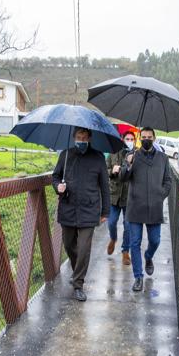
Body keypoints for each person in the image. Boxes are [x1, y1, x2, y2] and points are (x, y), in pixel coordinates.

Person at [52, 127, 110, 301]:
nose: (81, 140)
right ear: (74, 137)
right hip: (68, 207)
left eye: (84, 138)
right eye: (79, 137)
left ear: (89, 138)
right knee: (69, 245)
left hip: (89, 209)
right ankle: (77, 268)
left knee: (84, 248)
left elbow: (105, 187)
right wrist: (58, 186)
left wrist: (105, 211)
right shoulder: (66, 155)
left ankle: (78, 284)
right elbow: (55, 177)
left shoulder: (98, 158)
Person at [121, 126, 172, 292]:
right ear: (139, 138)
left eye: (149, 137)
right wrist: (128, 165)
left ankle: (148, 256)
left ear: (154, 139)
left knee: (155, 240)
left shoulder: (163, 158)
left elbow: (168, 181)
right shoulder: (132, 156)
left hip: (154, 207)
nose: (147, 139)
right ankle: (138, 277)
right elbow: (123, 178)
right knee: (134, 242)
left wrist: (160, 195)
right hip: (135, 206)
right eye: (143, 137)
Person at [106, 131, 136, 265]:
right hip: (114, 195)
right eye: (127, 138)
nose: (129, 141)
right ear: (122, 139)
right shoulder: (113, 153)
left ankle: (125, 252)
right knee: (111, 222)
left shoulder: (137, 155)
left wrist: (131, 165)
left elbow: (140, 175)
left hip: (129, 196)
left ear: (135, 141)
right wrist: (112, 171)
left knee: (128, 226)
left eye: (131, 139)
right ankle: (113, 238)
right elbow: (104, 170)